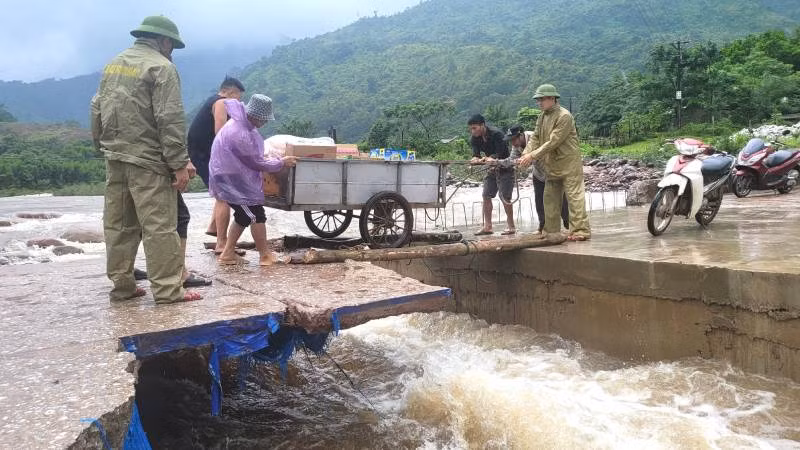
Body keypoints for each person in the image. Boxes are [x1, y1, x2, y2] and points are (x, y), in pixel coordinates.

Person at [91, 15, 202, 303]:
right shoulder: (161, 67)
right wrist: (178, 163)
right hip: (149, 161)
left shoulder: (113, 64)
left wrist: (101, 146)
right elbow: (169, 119)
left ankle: (123, 287)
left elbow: (96, 107)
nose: (172, 51)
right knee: (159, 227)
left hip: (115, 157)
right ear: (164, 41)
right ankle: (167, 290)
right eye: (172, 46)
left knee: (118, 225)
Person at [209, 95, 297, 265]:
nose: (265, 122)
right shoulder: (240, 132)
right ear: (256, 116)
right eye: (264, 119)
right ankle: (264, 255)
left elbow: (253, 155)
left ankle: (228, 254)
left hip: (231, 177)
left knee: (243, 215)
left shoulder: (242, 125)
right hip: (232, 180)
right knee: (255, 215)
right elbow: (255, 161)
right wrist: (281, 162)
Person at [518, 84, 591, 241]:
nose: (539, 102)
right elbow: (536, 137)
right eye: (538, 100)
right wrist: (525, 153)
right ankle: (551, 231)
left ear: (552, 98)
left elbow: (553, 141)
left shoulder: (564, 116)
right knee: (550, 197)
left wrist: (532, 156)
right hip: (552, 163)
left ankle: (580, 230)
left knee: (574, 196)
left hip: (569, 162)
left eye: (542, 99)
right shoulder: (542, 116)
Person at [187, 76, 246, 253]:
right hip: (205, 155)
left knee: (221, 192)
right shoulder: (221, 102)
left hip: (201, 152)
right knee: (224, 196)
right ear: (230, 92)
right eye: (238, 97)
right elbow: (221, 132)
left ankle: (214, 227)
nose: (239, 101)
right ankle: (222, 243)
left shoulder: (212, 100)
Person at [506, 124, 569, 234]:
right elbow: (513, 159)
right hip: (538, 173)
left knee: (561, 198)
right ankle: (542, 226)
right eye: (510, 141)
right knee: (539, 200)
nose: (513, 143)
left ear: (521, 135)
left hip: (553, 170)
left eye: (514, 139)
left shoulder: (534, 137)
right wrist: (499, 163)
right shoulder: (516, 145)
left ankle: (569, 223)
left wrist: (529, 157)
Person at [468, 114, 516, 235]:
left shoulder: (497, 134)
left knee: (505, 197)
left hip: (505, 167)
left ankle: (511, 226)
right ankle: (488, 226)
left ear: (482, 125)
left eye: (475, 128)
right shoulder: (474, 138)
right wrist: (475, 159)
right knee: (486, 195)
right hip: (491, 169)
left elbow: (501, 152)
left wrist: (489, 158)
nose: (472, 131)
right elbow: (476, 154)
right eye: (471, 128)